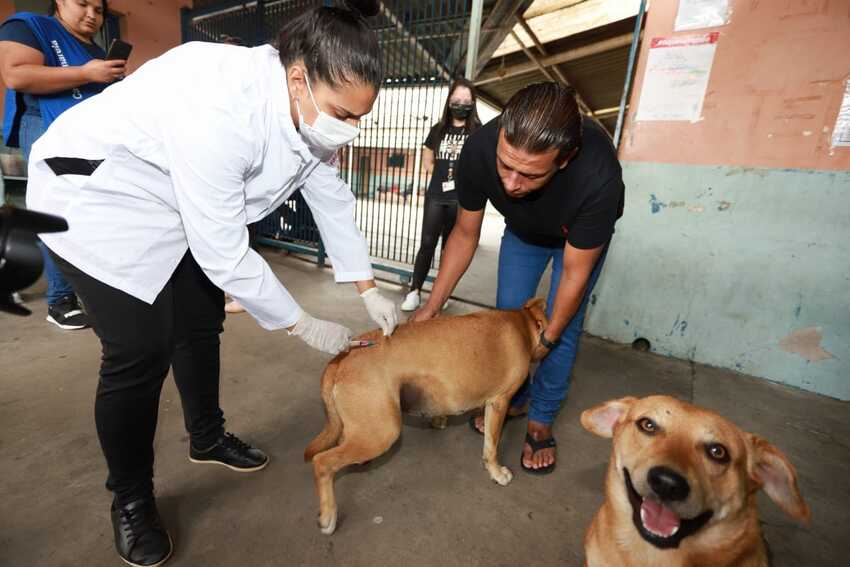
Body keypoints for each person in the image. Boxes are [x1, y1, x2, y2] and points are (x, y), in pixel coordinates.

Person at [26, 1, 397, 565]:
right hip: (97, 200)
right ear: (298, 77)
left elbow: (329, 192)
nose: (348, 128)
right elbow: (224, 251)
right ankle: (130, 498)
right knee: (139, 350)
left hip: (174, 203)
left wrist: (368, 290)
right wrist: (302, 323)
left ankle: (207, 435)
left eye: (358, 117)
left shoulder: (304, 100)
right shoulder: (221, 104)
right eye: (342, 113)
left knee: (200, 322)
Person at [411, 82, 624, 476]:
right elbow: (464, 234)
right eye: (505, 165)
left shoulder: (598, 174)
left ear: (565, 159)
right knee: (506, 323)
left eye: (529, 174)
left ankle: (541, 418)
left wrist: (546, 338)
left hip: (574, 242)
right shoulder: (478, 150)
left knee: (562, 329)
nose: (510, 184)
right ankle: (516, 395)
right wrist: (431, 305)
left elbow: (576, 272)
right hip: (523, 233)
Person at [0, 0, 126, 330]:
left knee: (90, 213)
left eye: (98, 10)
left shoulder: (96, 50)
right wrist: (88, 73)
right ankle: (59, 301)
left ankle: (83, 290)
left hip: (87, 136)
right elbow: (15, 75)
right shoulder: (28, 25)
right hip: (46, 124)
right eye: (82, 4)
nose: (91, 15)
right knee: (61, 213)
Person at [401, 78, 480, 311]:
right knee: (427, 243)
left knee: (450, 248)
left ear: (473, 103)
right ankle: (414, 290)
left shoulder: (477, 131)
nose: (461, 104)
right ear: (449, 101)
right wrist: (441, 176)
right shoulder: (438, 129)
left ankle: (440, 295)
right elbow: (427, 158)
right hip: (436, 195)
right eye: (457, 99)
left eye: (467, 100)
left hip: (461, 200)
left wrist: (463, 182)